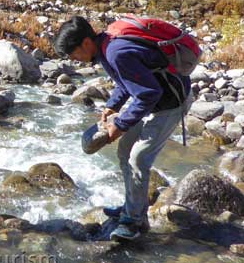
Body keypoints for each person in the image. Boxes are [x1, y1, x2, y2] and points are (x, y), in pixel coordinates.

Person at [53, 16, 193, 241]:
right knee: (124, 151)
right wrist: (112, 106)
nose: (75, 60)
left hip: (172, 104)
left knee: (138, 158)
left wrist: (119, 125)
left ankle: (135, 222)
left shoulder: (115, 52)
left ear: (86, 43)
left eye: (74, 54)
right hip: (156, 102)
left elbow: (149, 93)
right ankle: (131, 207)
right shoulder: (106, 47)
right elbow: (125, 81)